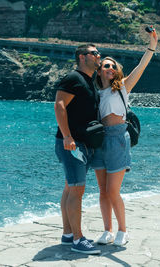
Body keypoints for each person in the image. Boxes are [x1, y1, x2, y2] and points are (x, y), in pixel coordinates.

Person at [92, 28, 158, 246]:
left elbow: (141, 67)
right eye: (105, 66)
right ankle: (107, 230)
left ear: (116, 71)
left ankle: (123, 230)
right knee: (102, 191)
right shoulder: (95, 93)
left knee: (113, 191)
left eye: (113, 66)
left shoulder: (122, 88)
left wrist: (152, 45)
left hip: (118, 138)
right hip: (100, 140)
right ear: (100, 71)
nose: (110, 68)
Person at [54, 44, 101, 254]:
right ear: (82, 57)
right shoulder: (73, 78)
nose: (98, 56)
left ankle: (68, 234)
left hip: (79, 143)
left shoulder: (89, 81)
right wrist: (67, 136)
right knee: (77, 190)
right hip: (72, 144)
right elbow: (59, 105)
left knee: (70, 188)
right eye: (95, 53)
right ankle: (78, 239)